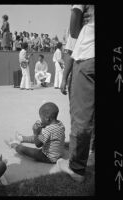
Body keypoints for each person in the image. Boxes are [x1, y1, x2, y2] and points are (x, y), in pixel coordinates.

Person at [58, 5, 95, 182]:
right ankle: (92, 153)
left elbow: (73, 33)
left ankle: (77, 168)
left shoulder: (79, 15)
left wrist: (64, 78)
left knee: (81, 117)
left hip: (88, 58)